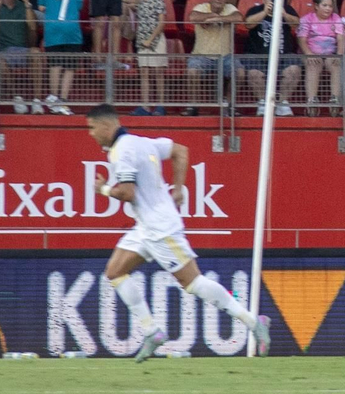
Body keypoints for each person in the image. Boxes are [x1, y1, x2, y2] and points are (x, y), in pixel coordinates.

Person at [85, 104, 273, 361]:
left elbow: (127, 193)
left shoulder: (122, 152)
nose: (91, 133)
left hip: (161, 228)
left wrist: (104, 190)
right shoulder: (142, 142)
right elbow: (180, 151)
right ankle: (152, 332)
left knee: (193, 283)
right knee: (115, 272)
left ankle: (254, 322)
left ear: (107, 126)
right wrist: (179, 188)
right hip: (146, 227)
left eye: (92, 127)